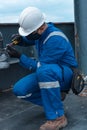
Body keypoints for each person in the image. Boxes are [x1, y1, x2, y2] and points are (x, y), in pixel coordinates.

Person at [7, 7, 78, 130]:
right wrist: (21, 41)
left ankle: (58, 118)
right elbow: (32, 40)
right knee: (20, 90)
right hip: (50, 72)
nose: (28, 36)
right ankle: (56, 100)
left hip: (66, 74)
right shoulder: (41, 32)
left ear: (40, 28)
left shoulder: (55, 38)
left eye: (29, 33)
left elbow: (40, 67)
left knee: (44, 71)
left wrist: (19, 56)